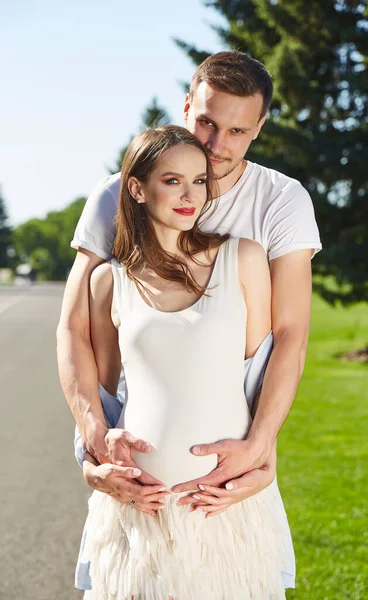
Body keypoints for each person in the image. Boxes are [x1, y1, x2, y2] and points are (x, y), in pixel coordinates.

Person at [57, 51, 321, 530]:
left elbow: (288, 337)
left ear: (259, 127)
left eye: (238, 131)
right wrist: (92, 441)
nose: (217, 145)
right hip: (135, 473)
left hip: (224, 476)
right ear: (186, 107)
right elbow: (75, 327)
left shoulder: (281, 202)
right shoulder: (115, 195)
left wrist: (262, 445)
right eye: (206, 122)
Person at [81, 123, 294, 599]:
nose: (189, 195)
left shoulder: (244, 258)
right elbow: (100, 393)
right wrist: (92, 462)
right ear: (137, 188)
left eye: (199, 181)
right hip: (139, 516)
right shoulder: (107, 282)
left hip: (222, 508)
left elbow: (257, 377)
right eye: (172, 180)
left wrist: (264, 460)